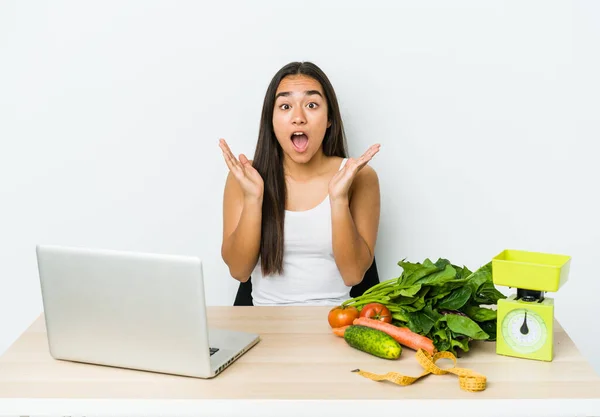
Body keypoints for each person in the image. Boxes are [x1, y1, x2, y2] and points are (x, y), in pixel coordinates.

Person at [218, 61, 380, 306]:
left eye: (312, 105)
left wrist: (338, 199)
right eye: (285, 106)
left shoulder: (358, 176)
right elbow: (239, 271)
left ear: (329, 119)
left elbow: (354, 274)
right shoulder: (245, 177)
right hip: (263, 327)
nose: (298, 118)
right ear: (271, 121)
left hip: (335, 325)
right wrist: (253, 199)